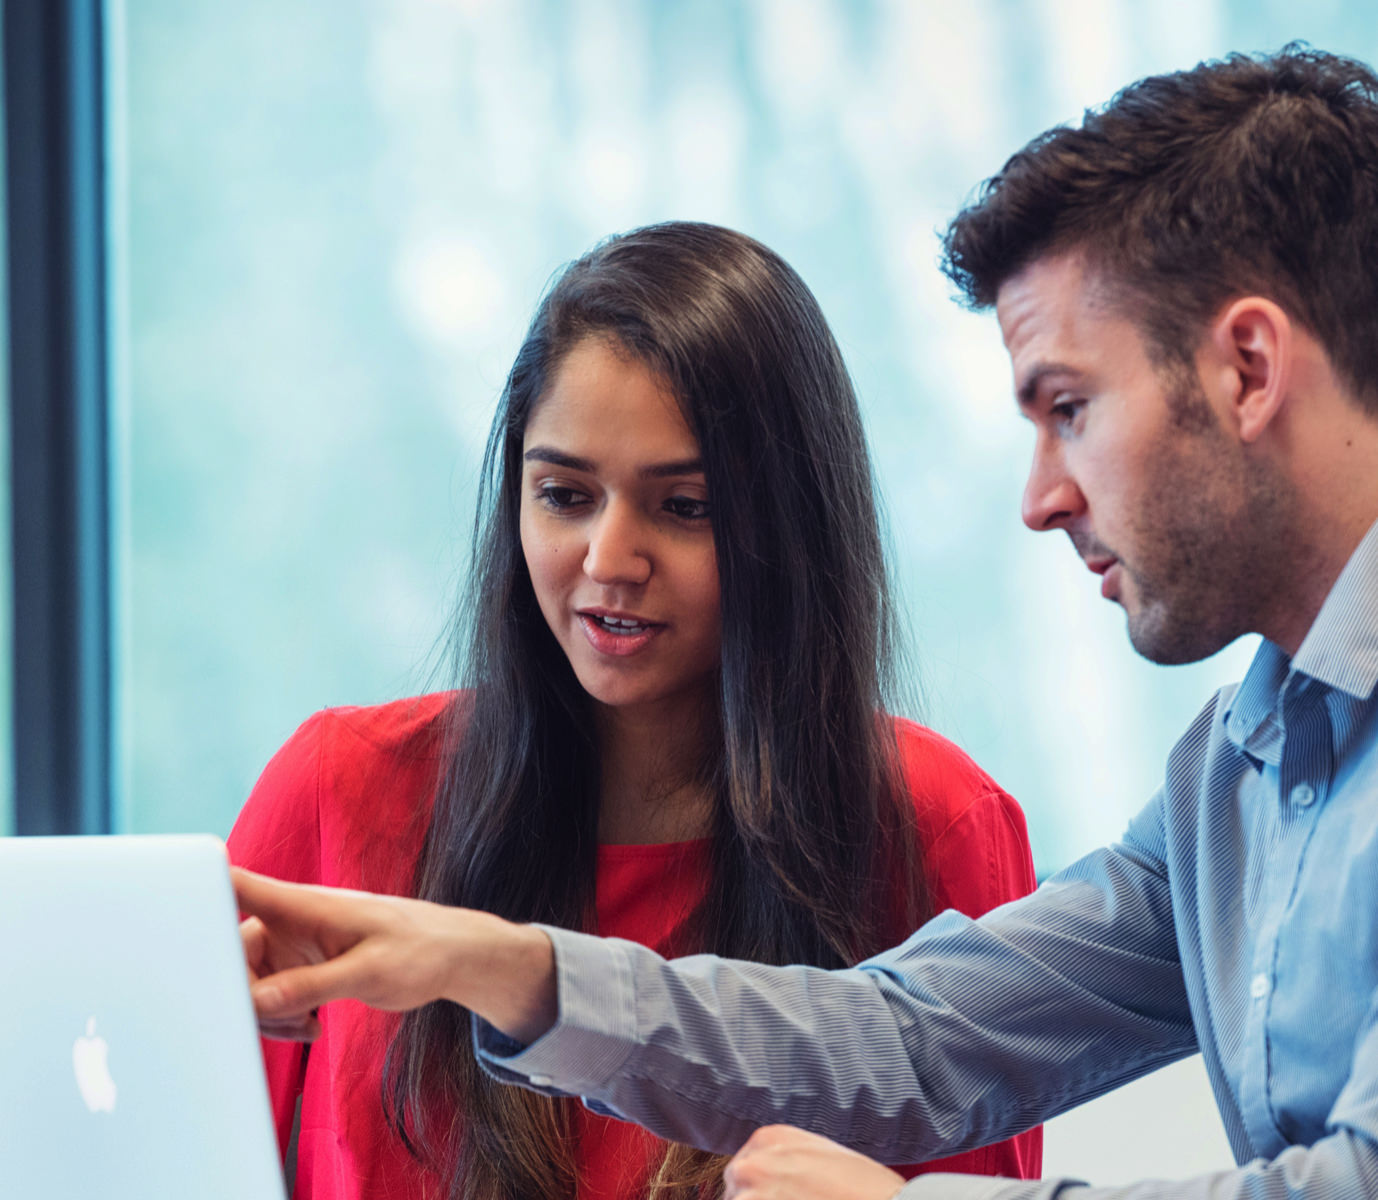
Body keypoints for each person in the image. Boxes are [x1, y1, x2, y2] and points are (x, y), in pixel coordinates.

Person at [232, 43, 1378, 1198]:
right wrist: (504, 966)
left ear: (1246, 368)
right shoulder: (1232, 778)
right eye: (564, 493)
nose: (1040, 499)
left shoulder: (966, 808)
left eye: (1069, 409)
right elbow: (914, 1042)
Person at [228, 220, 1041, 1200]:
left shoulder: (928, 820)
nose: (607, 561)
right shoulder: (337, 788)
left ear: (789, 527)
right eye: (564, 495)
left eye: (684, 507)